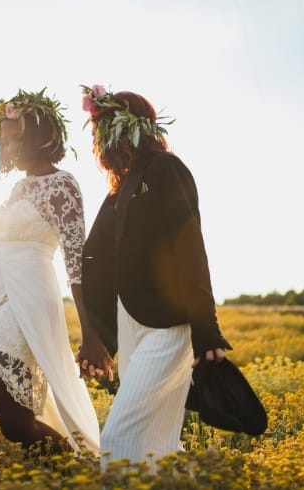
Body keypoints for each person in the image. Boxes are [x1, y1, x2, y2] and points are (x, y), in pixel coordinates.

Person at [77, 84, 232, 470]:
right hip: (130, 324)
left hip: (168, 324)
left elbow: (190, 249)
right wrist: (95, 336)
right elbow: (96, 259)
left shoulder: (166, 169)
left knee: (116, 443)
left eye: (102, 127)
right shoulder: (119, 190)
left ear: (127, 128)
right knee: (156, 446)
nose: (98, 139)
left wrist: (206, 331)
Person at [0, 88, 100, 456]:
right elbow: (3, 254)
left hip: (29, 302)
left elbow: (77, 260)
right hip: (3, 301)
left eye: (17, 141)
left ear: (40, 138)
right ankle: (76, 468)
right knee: (17, 427)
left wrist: (91, 334)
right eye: (5, 142)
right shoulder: (18, 188)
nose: (10, 150)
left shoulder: (62, 185)